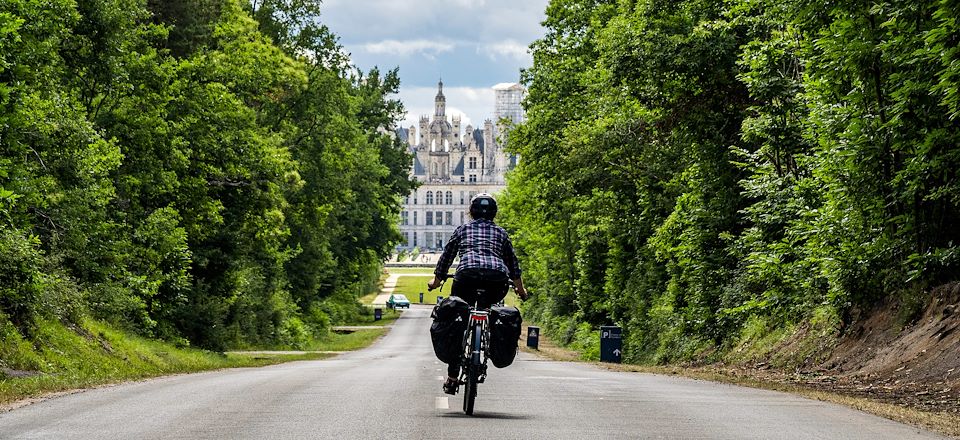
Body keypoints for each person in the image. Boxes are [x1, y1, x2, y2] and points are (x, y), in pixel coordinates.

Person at [426, 193, 527, 395]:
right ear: (494, 214)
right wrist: (521, 290)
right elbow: (513, 266)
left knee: (459, 323)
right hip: (496, 281)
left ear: (470, 212)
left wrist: (436, 281)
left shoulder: (463, 229)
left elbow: (447, 257)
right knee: (488, 308)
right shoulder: (501, 233)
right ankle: (488, 340)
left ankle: (453, 377)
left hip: (466, 279)